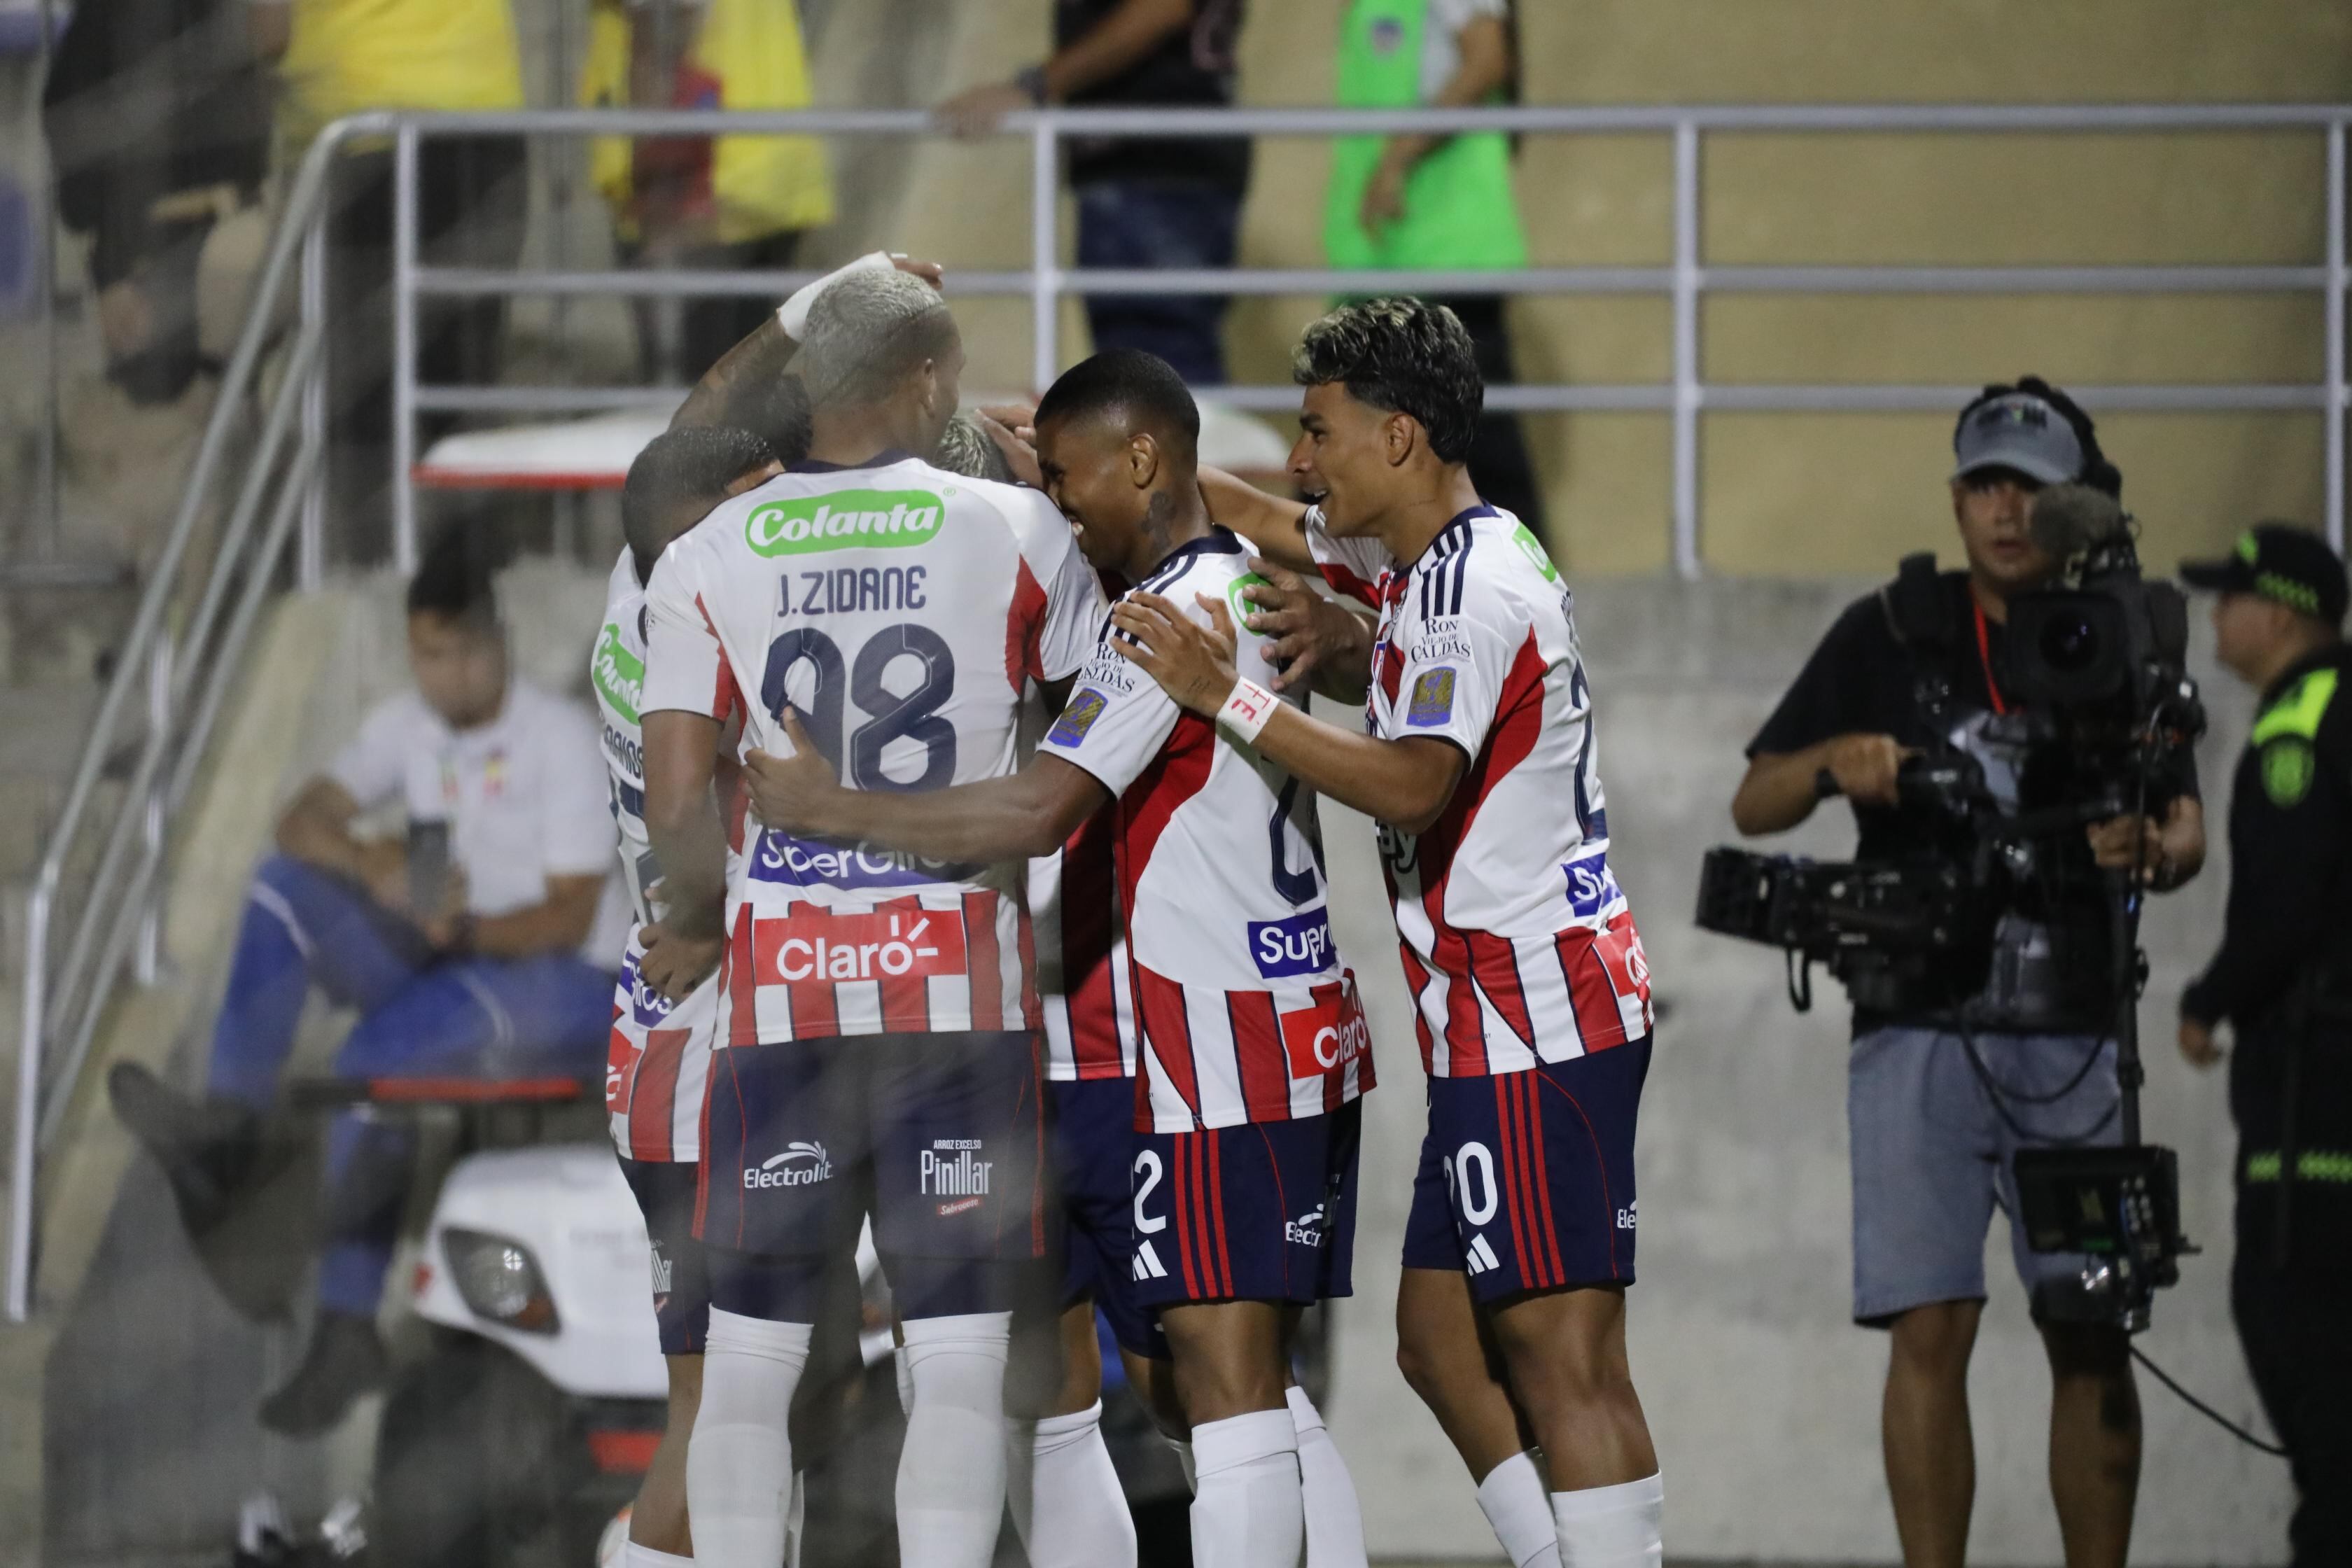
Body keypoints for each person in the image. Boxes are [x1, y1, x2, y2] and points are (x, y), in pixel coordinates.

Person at [743, 347, 1376, 1568]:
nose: (1055, 512)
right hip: (1062, 1044)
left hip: (1182, 1045)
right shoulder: (1133, 598)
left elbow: (1039, 812)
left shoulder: (1173, 616)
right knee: (1055, 1379)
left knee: (1222, 1382)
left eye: (1066, 488)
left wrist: (832, 809)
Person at [1115, 297, 1666, 1567]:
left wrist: (1226, 694)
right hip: (1492, 1019)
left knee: (1567, 1362)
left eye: (1320, 432)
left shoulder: (1471, 586)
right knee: (1438, 1342)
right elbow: (1259, 519)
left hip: (1538, 1015)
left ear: (1400, 437)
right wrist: (1077, 442)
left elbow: (1417, 782)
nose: (1301, 460)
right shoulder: (1430, 557)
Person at [632, 266, 1105, 1568]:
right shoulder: (1016, 529)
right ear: (928, 379)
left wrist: (709, 909)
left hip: (783, 993)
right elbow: (1097, 737)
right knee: (955, 1361)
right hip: (956, 997)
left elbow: (676, 800)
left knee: (749, 1358)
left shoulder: (709, 552)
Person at [1729, 378, 2207, 1568]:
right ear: (1954, 499)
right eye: (1985, 485)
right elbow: (1756, 799)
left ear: (2077, 506)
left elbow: (2187, 828)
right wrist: (1838, 763)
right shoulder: (1889, 628)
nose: (2006, 512)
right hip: (1915, 1025)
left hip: (2077, 1027)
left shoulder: (2124, 627)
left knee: (2090, 1327)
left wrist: (2152, 845)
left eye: (2031, 491)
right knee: (1927, 1329)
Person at [109, 523, 625, 1434]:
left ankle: (347, 1323)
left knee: (372, 1057)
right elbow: (300, 817)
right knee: (281, 889)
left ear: (497, 641)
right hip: (447, 957)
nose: (444, 676)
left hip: (564, 980)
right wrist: (371, 862)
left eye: (460, 654)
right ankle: (227, 1130)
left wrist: (462, 929)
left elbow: (570, 916)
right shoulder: (406, 728)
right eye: (427, 655)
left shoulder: (560, 737)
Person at [598, 426, 783, 1568]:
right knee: (719, 1411)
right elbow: (686, 813)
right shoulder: (706, 623)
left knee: (777, 1399)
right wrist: (713, 913)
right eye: (756, 498)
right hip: (696, 1048)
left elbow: (686, 451)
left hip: (678, 1030)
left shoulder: (634, 594)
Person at [2176, 523, 2352, 1568]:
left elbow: (2285, 907)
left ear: (2280, 613)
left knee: (2301, 1340)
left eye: (2232, 597)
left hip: (2318, 1108)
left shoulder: (2299, 724)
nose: (2217, 615)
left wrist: (2208, 1001)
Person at [247, 0, 531, 559]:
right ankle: (467, 591)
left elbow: (268, 28)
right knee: (461, 388)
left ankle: (377, 583)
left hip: (366, 135)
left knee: (363, 402)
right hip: (486, 122)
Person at [937, 0, 1250, 386]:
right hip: (1158, 164)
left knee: (1159, 363)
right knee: (1144, 365)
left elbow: (1165, 7)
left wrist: (1034, 86)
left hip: (1151, 163)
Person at [1324, 0, 1544, 534]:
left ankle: (1528, 586)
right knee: (1342, 444)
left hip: (1445, 255)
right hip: (1387, 260)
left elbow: (1487, 57)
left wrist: (1398, 158)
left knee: (1477, 452)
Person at [580, 0, 835, 384]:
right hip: (771, 156)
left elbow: (663, 20)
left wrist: (663, 176)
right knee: (746, 392)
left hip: (697, 180)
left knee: (694, 393)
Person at [42, 0, 270, 402]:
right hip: (152, 243)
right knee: (161, 398)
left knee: (225, 396)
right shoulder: (111, 17)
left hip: (225, 226)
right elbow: (71, 118)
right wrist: (112, 271)